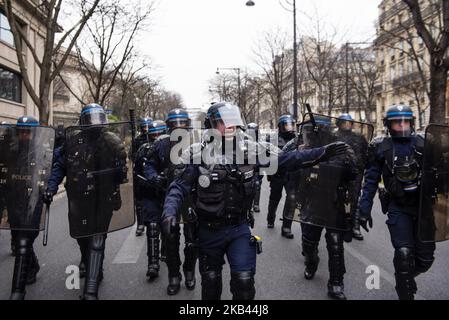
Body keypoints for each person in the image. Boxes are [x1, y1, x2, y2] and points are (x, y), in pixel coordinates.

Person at [161, 102, 349, 300]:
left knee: (244, 285)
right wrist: (169, 212)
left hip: (238, 229)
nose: (230, 127)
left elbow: (289, 160)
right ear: (211, 126)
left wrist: (321, 153)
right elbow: (178, 187)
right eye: (223, 123)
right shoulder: (197, 154)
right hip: (209, 231)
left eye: (233, 122)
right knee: (210, 287)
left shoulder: (252, 150)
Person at [45, 103, 129, 300]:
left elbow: (122, 172)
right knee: (82, 237)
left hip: (103, 197)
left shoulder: (112, 141)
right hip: (79, 198)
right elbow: (59, 166)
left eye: (98, 118)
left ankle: (91, 290)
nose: (95, 123)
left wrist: (116, 175)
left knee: (97, 239)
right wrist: (50, 188)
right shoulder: (71, 142)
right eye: (90, 119)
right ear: (83, 121)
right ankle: (89, 262)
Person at [358, 104, 436, 300]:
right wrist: (363, 209)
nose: (402, 126)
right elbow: (370, 181)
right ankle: (405, 290)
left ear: (411, 122)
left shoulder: (424, 144)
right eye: (396, 122)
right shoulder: (381, 148)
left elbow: (441, 174)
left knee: (425, 260)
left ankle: (405, 277)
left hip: (423, 208)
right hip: (398, 207)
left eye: (405, 121)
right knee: (403, 253)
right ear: (388, 125)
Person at [282, 114, 360, 300]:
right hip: (309, 203)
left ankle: (336, 283)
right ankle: (311, 261)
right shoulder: (296, 147)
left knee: (334, 243)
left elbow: (354, 174)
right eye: (306, 130)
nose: (308, 133)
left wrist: (345, 162)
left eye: (312, 130)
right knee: (309, 242)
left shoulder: (341, 148)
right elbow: (285, 169)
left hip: (334, 202)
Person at [143, 108, 198, 295]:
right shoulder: (160, 144)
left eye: (182, 123)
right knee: (170, 237)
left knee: (193, 239)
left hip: (192, 197)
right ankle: (174, 276)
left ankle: (190, 272)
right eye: (175, 123)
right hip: (168, 197)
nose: (179, 127)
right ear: (169, 126)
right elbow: (148, 165)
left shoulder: (197, 143)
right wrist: (154, 178)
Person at [1, 116, 54, 299]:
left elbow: (49, 169)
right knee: (18, 234)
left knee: (26, 236)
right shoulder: (10, 149)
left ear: (33, 133)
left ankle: (18, 290)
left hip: (34, 198)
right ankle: (33, 265)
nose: (24, 135)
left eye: (27, 131)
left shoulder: (43, 150)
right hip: (15, 197)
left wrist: (48, 188)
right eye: (21, 131)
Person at [134, 120, 167, 281]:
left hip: (167, 194)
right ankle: (153, 264)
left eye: (158, 134)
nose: (156, 137)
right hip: (150, 193)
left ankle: (166, 252)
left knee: (169, 227)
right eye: (153, 134)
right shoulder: (142, 149)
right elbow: (136, 172)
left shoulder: (173, 149)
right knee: (153, 227)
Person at [335, 114, 369, 240]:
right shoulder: (334, 137)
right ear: (339, 123)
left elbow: (367, 152)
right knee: (337, 198)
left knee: (354, 199)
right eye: (344, 122)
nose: (347, 124)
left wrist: (363, 164)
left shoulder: (359, 137)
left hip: (355, 172)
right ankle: (339, 224)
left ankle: (355, 226)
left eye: (349, 122)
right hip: (338, 171)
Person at [266, 114, 297, 238]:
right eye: (286, 125)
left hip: (292, 174)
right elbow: (266, 157)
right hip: (277, 174)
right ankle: (270, 218)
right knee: (275, 198)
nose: (289, 128)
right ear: (280, 126)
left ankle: (286, 227)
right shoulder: (272, 139)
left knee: (292, 200)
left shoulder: (297, 138)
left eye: (291, 125)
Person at [133, 117, 153, 236]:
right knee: (139, 200)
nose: (146, 130)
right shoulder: (137, 140)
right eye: (144, 127)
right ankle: (140, 223)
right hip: (140, 172)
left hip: (153, 172)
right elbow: (132, 156)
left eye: (148, 127)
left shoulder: (157, 138)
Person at [246, 122, 262, 213]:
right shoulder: (243, 142)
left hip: (257, 168)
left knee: (257, 185)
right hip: (247, 167)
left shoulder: (260, 143)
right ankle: (248, 206)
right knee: (247, 186)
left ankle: (256, 204)